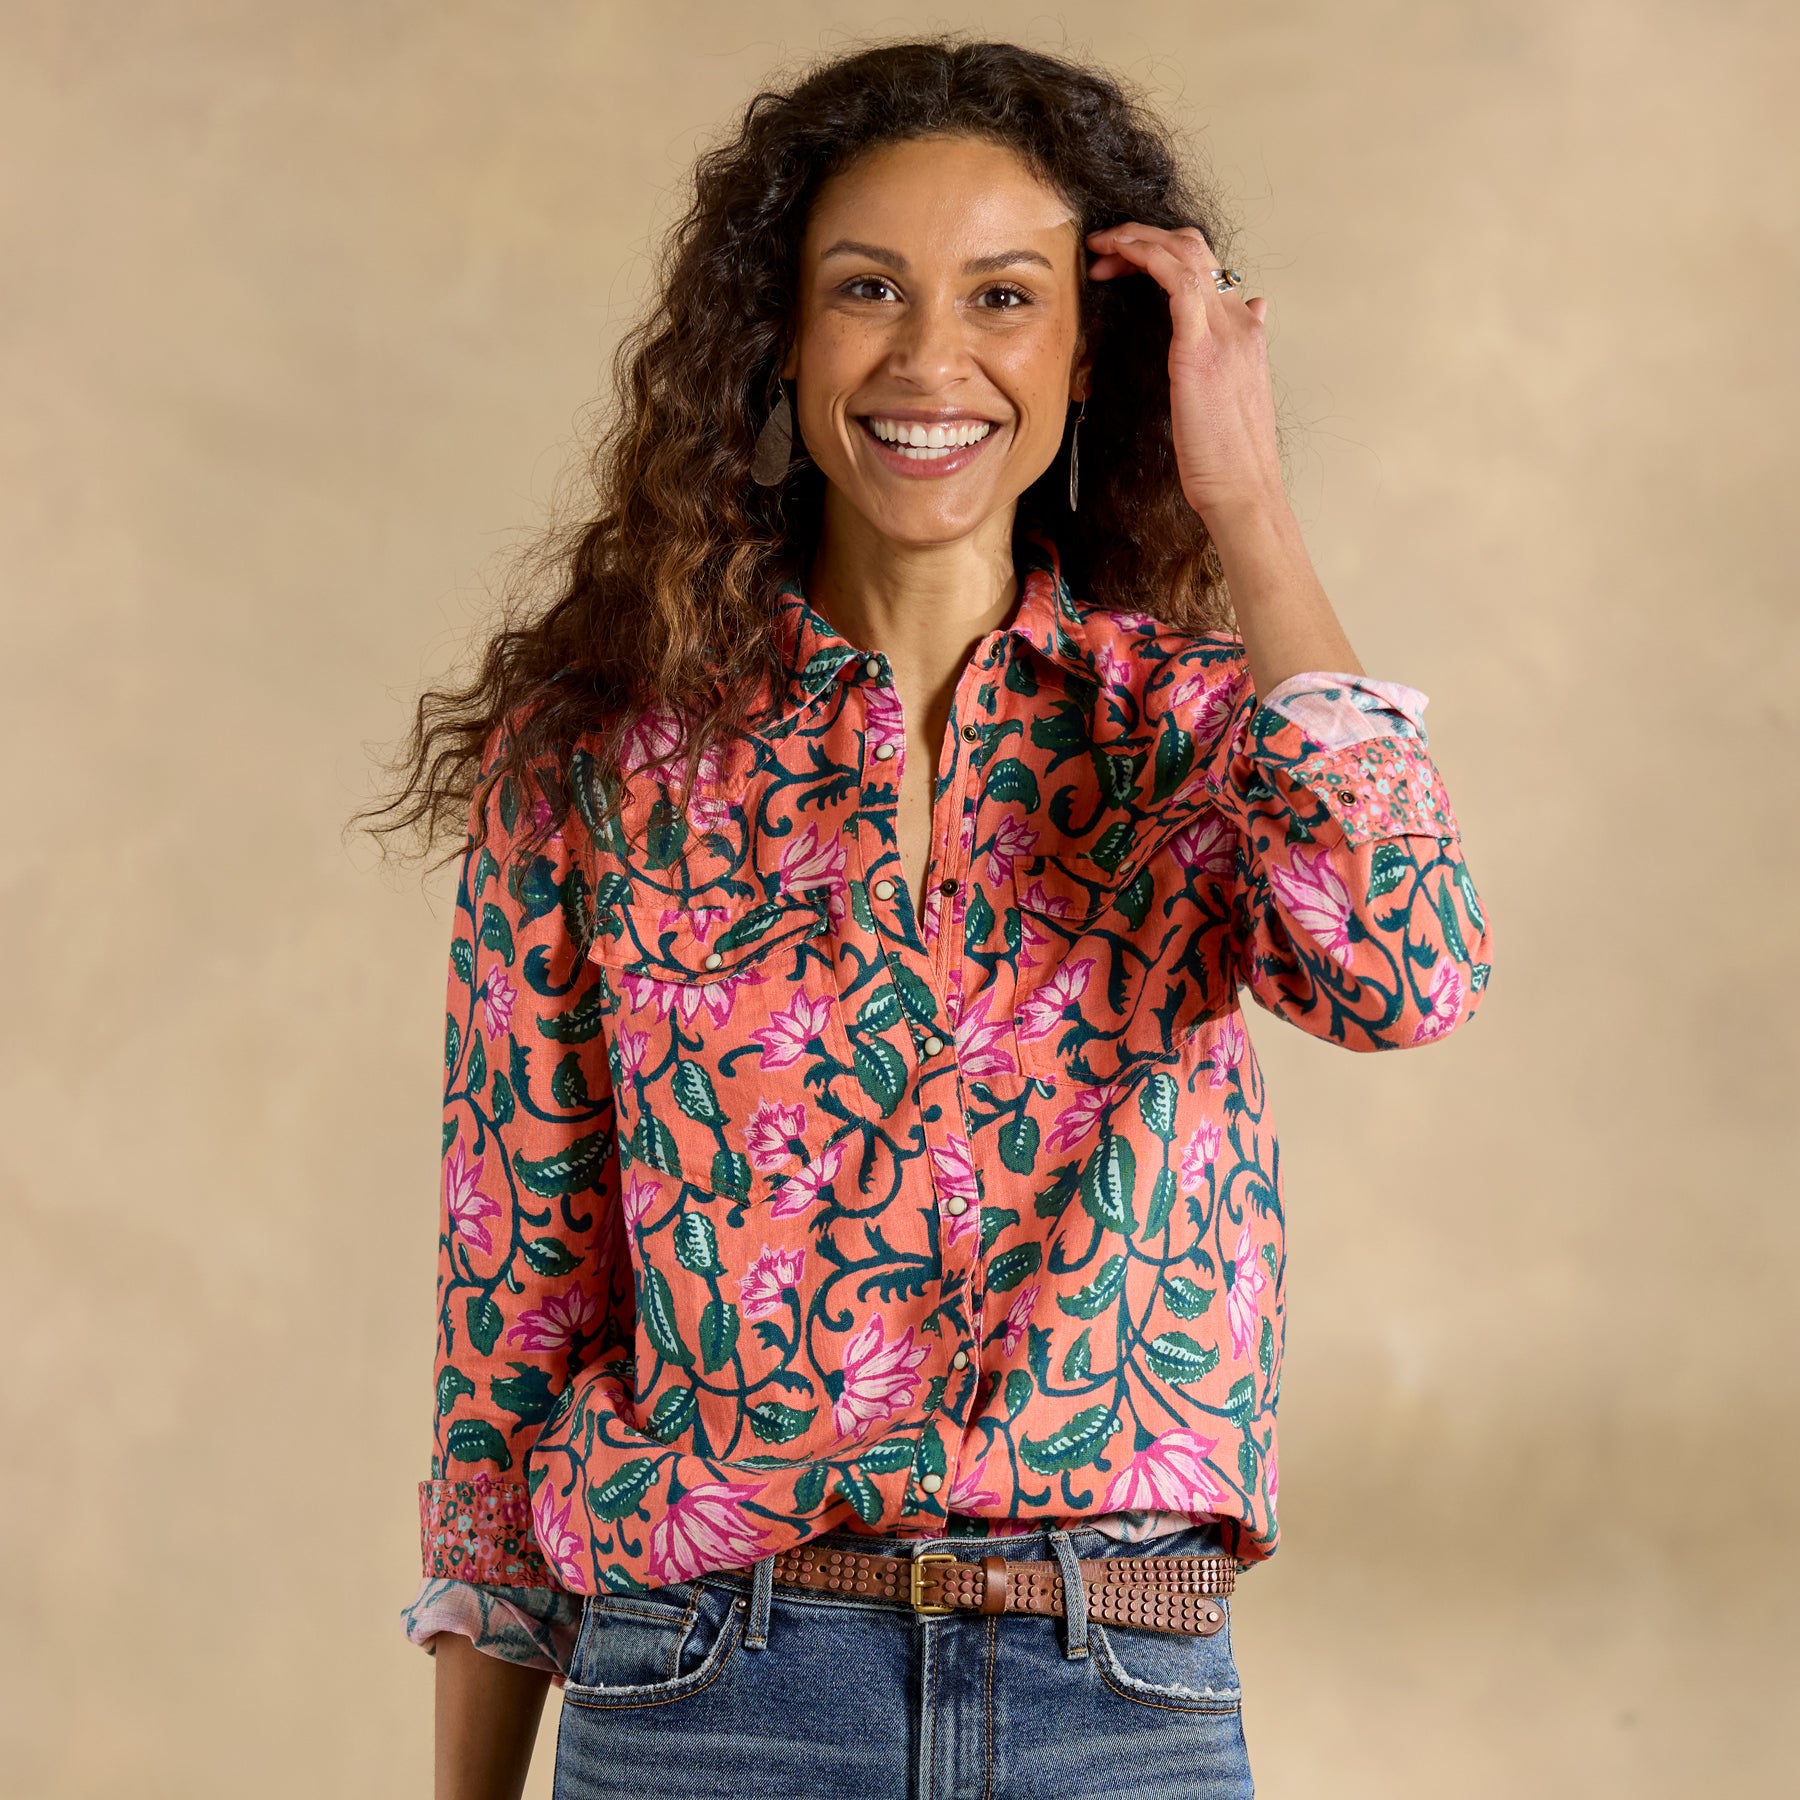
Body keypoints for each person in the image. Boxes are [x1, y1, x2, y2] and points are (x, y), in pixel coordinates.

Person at [368, 36, 1492, 1800]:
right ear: (781, 335)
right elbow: (511, 1313)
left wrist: (1248, 500)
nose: (928, 359)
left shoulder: (1203, 732)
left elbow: (1409, 969)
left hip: (1113, 1702)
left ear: (1088, 355)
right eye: (867, 289)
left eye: (1003, 297)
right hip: (707, 1701)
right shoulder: (599, 762)